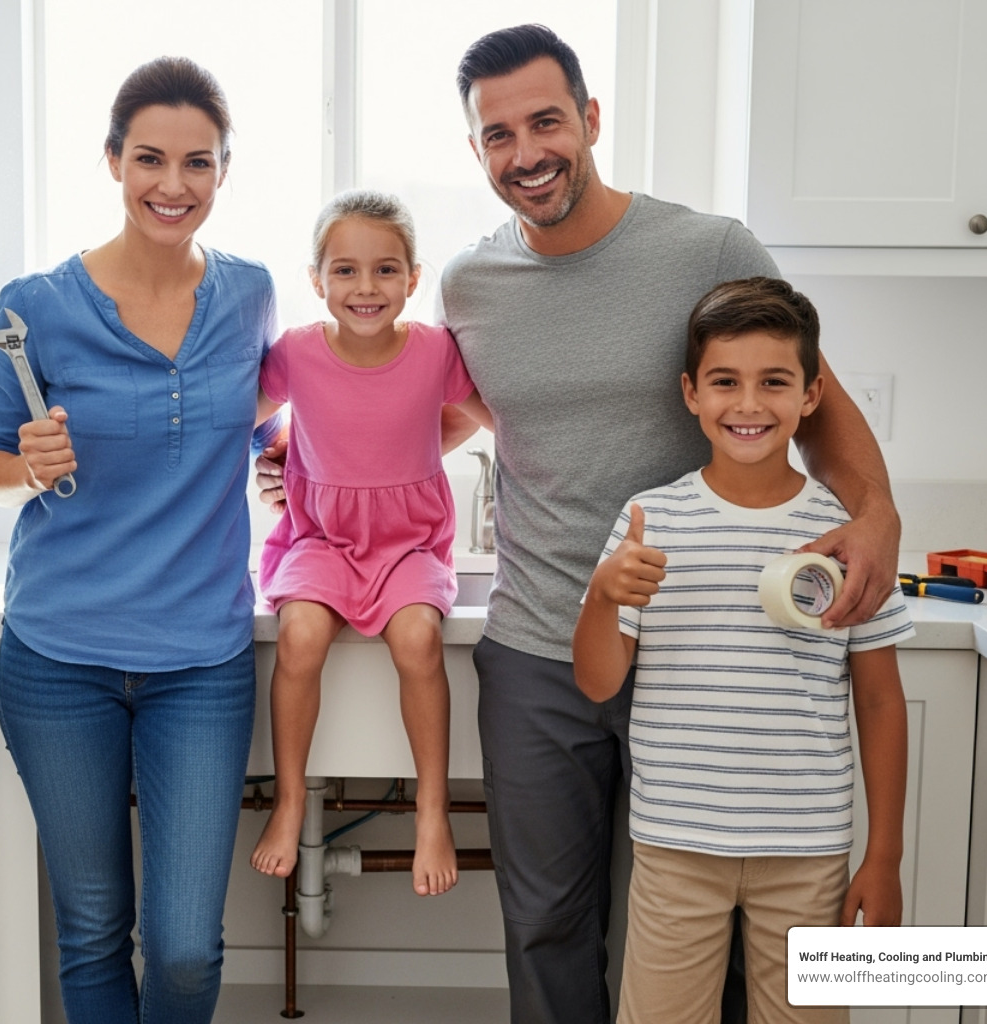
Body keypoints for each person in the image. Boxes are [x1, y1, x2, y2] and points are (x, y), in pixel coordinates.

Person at [252, 23, 902, 1023]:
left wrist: (876, 518)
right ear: (476, 152)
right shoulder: (468, 285)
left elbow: (811, 399)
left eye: (546, 120)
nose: (527, 153)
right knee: (546, 923)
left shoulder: (707, 247)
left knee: (702, 930)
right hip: (536, 648)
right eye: (498, 134)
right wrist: (310, 445)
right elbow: (445, 408)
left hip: (696, 648)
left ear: (591, 119)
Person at [0, 57, 281, 1024]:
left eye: (197, 163)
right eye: (149, 159)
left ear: (224, 171)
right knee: (93, 926)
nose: (171, 186)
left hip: (201, 661)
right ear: (112, 161)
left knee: (184, 947)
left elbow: (251, 417)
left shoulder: (252, 294)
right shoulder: (39, 305)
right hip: (59, 657)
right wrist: (30, 461)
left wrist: (281, 454)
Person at [573, 277, 911, 1024]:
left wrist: (882, 856)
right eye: (726, 382)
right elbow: (599, 684)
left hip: (810, 850)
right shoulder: (649, 522)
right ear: (691, 393)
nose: (749, 405)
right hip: (675, 845)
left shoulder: (848, 536)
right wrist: (602, 594)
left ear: (812, 394)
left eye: (774, 382)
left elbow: (881, 699)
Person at [249, 189, 494, 897]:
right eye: (346, 271)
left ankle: (431, 810)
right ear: (317, 279)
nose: (366, 287)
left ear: (413, 279)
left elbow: (493, 420)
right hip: (321, 537)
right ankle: (291, 799)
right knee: (298, 637)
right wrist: (276, 457)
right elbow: (239, 418)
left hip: (411, 543)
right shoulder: (295, 353)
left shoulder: (433, 350)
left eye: (386, 270)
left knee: (418, 639)